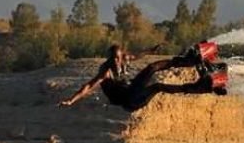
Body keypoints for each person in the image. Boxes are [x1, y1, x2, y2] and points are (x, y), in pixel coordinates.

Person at [59, 42, 228, 112]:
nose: (118, 61)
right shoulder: (106, 71)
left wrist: (151, 50)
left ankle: (192, 73)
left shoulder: (124, 59)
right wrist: (71, 100)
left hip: (134, 94)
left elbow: (136, 56)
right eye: (114, 59)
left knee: (155, 77)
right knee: (154, 77)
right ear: (110, 58)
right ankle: (192, 74)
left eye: (119, 57)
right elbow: (88, 86)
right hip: (127, 100)